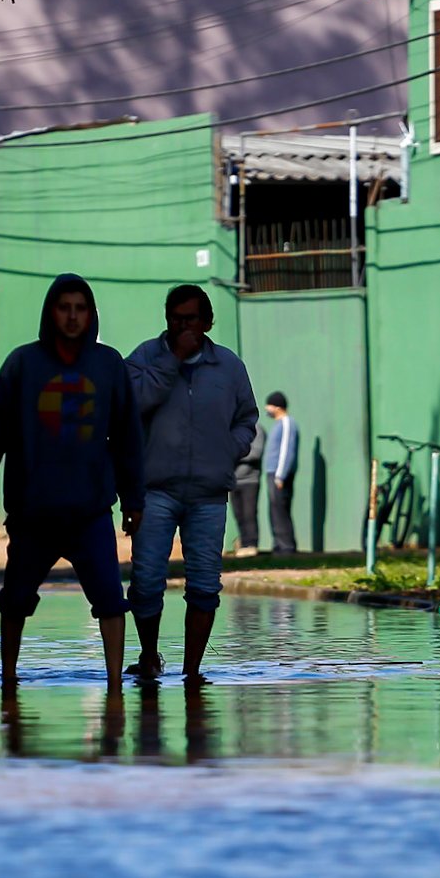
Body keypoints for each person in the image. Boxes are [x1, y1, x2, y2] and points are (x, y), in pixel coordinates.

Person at [0, 273, 144, 691]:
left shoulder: (108, 365)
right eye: (65, 307)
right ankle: (8, 678)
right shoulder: (22, 365)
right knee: (15, 600)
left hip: (91, 512)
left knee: (111, 601)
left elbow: (128, 437)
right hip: (32, 514)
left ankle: (114, 686)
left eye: (81, 308)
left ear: (91, 314)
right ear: (50, 312)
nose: (73, 316)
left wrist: (134, 499)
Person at [124, 284, 258, 684]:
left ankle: (192, 670)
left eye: (191, 318)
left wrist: (227, 450)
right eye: (175, 318)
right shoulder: (145, 358)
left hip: (208, 493)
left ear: (208, 321)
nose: (182, 325)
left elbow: (247, 419)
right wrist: (173, 361)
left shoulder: (229, 367)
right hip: (155, 489)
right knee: (146, 579)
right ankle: (149, 656)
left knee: (204, 584)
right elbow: (130, 407)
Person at [263, 390, 298, 555]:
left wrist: (280, 475)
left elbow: (286, 450)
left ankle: (286, 546)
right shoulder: (278, 425)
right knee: (274, 509)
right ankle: (278, 544)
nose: (266, 408)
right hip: (272, 474)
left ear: (277, 406)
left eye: (269, 405)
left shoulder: (286, 423)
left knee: (281, 509)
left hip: (278, 475)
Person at [230, 418, 265, 557]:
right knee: (239, 515)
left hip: (250, 480)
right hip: (233, 480)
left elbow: (255, 453)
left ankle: (251, 544)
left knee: (249, 514)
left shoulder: (256, 429)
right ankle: (244, 544)